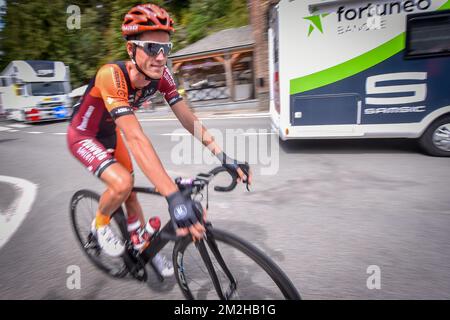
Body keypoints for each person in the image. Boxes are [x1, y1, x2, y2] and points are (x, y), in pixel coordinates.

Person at [67, 3, 251, 277]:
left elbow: (187, 118)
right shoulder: (111, 76)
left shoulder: (162, 75)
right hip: (84, 135)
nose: (161, 57)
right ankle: (100, 223)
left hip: (112, 132)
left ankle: (142, 249)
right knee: (123, 183)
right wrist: (174, 197)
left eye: (166, 48)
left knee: (130, 197)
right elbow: (136, 136)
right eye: (152, 47)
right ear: (131, 50)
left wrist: (223, 156)